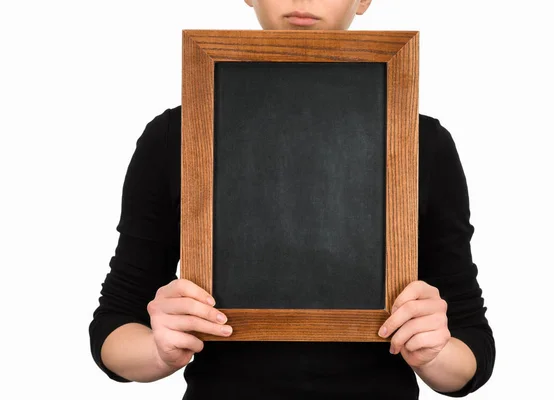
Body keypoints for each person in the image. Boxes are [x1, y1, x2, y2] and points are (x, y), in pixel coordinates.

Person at [89, 1, 495, 398]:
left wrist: (434, 352)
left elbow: (471, 349)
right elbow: (114, 325)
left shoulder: (424, 145)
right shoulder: (175, 137)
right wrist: (159, 350)